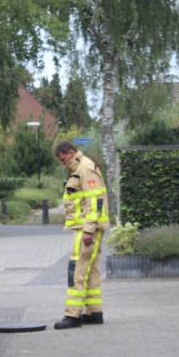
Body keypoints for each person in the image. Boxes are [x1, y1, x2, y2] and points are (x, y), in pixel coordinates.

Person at [53, 141, 110, 329]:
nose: (63, 163)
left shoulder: (85, 169)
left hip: (88, 229)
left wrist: (88, 230)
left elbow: (95, 201)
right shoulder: (79, 168)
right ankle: (94, 312)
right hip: (86, 227)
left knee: (77, 269)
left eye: (63, 159)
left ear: (70, 152)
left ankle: (73, 315)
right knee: (91, 269)